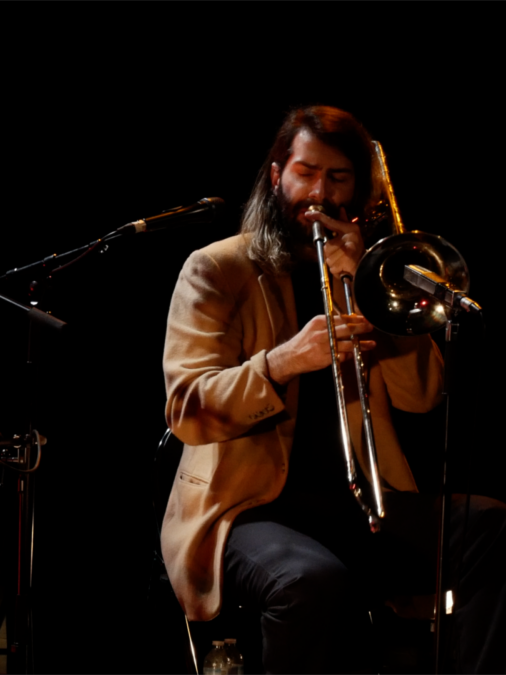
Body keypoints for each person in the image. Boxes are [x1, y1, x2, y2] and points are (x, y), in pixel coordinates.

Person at [161, 105, 506, 674]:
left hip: (360, 501)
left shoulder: (370, 274)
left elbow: (422, 396)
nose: (318, 191)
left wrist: (365, 289)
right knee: (309, 580)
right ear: (277, 176)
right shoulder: (217, 269)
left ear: (359, 189)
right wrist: (283, 361)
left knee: (492, 527)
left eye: (338, 177)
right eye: (305, 172)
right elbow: (187, 408)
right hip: (246, 509)